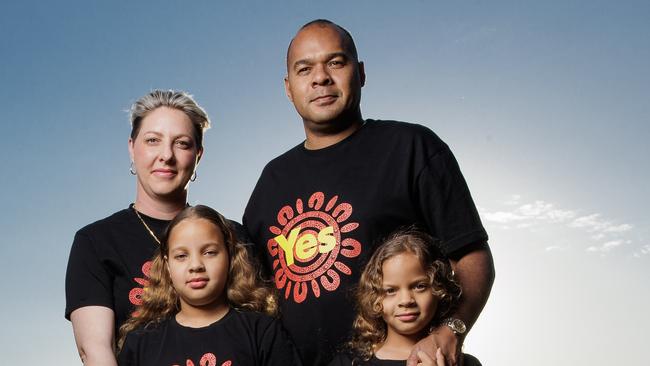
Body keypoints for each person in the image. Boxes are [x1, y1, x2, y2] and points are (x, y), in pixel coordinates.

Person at [243, 19, 495, 366]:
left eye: (335, 62)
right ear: (288, 87)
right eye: (305, 69)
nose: (320, 78)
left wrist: (451, 330)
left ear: (359, 73)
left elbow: (472, 257)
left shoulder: (411, 148)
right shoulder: (271, 179)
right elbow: (251, 293)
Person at [65, 90, 213, 365]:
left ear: (198, 155)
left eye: (181, 143)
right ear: (132, 148)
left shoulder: (231, 237)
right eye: (153, 141)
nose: (166, 155)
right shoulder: (95, 243)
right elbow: (95, 351)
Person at [117, 205, 301, 366]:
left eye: (210, 252)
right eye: (181, 256)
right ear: (168, 266)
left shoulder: (262, 332)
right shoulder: (140, 344)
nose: (196, 265)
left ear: (229, 257)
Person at [328, 229, 481, 366]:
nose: (406, 300)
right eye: (390, 290)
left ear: (439, 290)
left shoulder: (463, 363)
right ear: (374, 297)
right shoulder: (347, 362)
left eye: (419, 286)